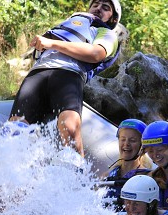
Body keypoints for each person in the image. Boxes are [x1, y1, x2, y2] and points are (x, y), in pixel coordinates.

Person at [9, 0, 122, 157]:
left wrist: (52, 44)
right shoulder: (66, 25)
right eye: (95, 4)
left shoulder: (107, 33)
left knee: (69, 130)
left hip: (68, 75)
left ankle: (76, 173)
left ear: (112, 19)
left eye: (105, 8)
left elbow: (96, 54)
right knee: (14, 130)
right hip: (37, 75)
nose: (98, 9)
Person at [104, 118, 153, 209]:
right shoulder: (109, 174)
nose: (126, 144)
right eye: (123, 139)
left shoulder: (147, 177)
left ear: (142, 146)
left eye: (132, 140)